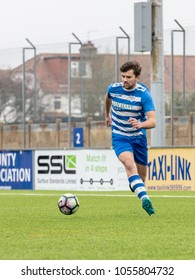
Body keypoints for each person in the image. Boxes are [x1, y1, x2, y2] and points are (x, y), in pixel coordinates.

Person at [105, 60, 156, 216]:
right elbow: (107, 98)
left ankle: (136, 185)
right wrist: (107, 115)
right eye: (123, 76)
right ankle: (145, 200)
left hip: (138, 138)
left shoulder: (143, 94)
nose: (125, 80)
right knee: (129, 163)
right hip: (120, 136)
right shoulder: (114, 89)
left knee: (141, 178)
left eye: (128, 77)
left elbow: (153, 121)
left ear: (137, 77)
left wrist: (140, 124)